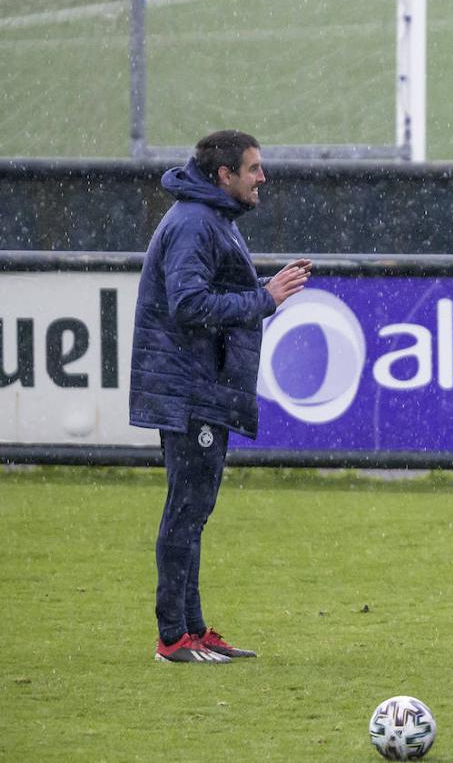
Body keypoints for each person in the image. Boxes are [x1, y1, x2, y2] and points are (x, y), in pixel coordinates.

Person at [130, 129, 312, 663]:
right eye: (253, 168)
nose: (263, 177)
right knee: (186, 510)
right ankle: (171, 638)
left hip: (201, 386)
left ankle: (194, 629)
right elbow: (188, 305)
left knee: (195, 510)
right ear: (223, 176)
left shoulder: (210, 219)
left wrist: (264, 290)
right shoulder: (193, 223)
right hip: (189, 391)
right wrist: (265, 298)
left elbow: (210, 295)